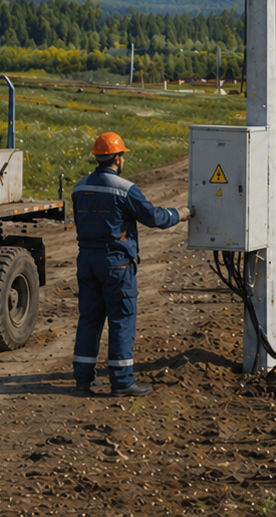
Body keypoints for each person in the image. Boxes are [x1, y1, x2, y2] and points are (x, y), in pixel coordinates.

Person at [71, 132, 190, 397]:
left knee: (89, 320)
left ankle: (83, 379)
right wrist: (180, 214)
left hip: (86, 260)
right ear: (117, 158)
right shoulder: (125, 189)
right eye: (122, 155)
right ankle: (122, 382)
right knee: (122, 320)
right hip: (116, 263)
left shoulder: (79, 187)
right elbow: (153, 217)